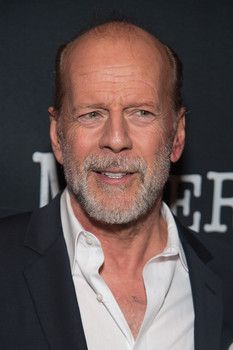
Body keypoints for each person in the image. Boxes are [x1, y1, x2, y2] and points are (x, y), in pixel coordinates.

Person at [0, 19, 232, 350]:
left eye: (141, 113)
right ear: (57, 136)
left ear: (177, 134)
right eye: (92, 114)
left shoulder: (225, 281)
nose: (116, 139)